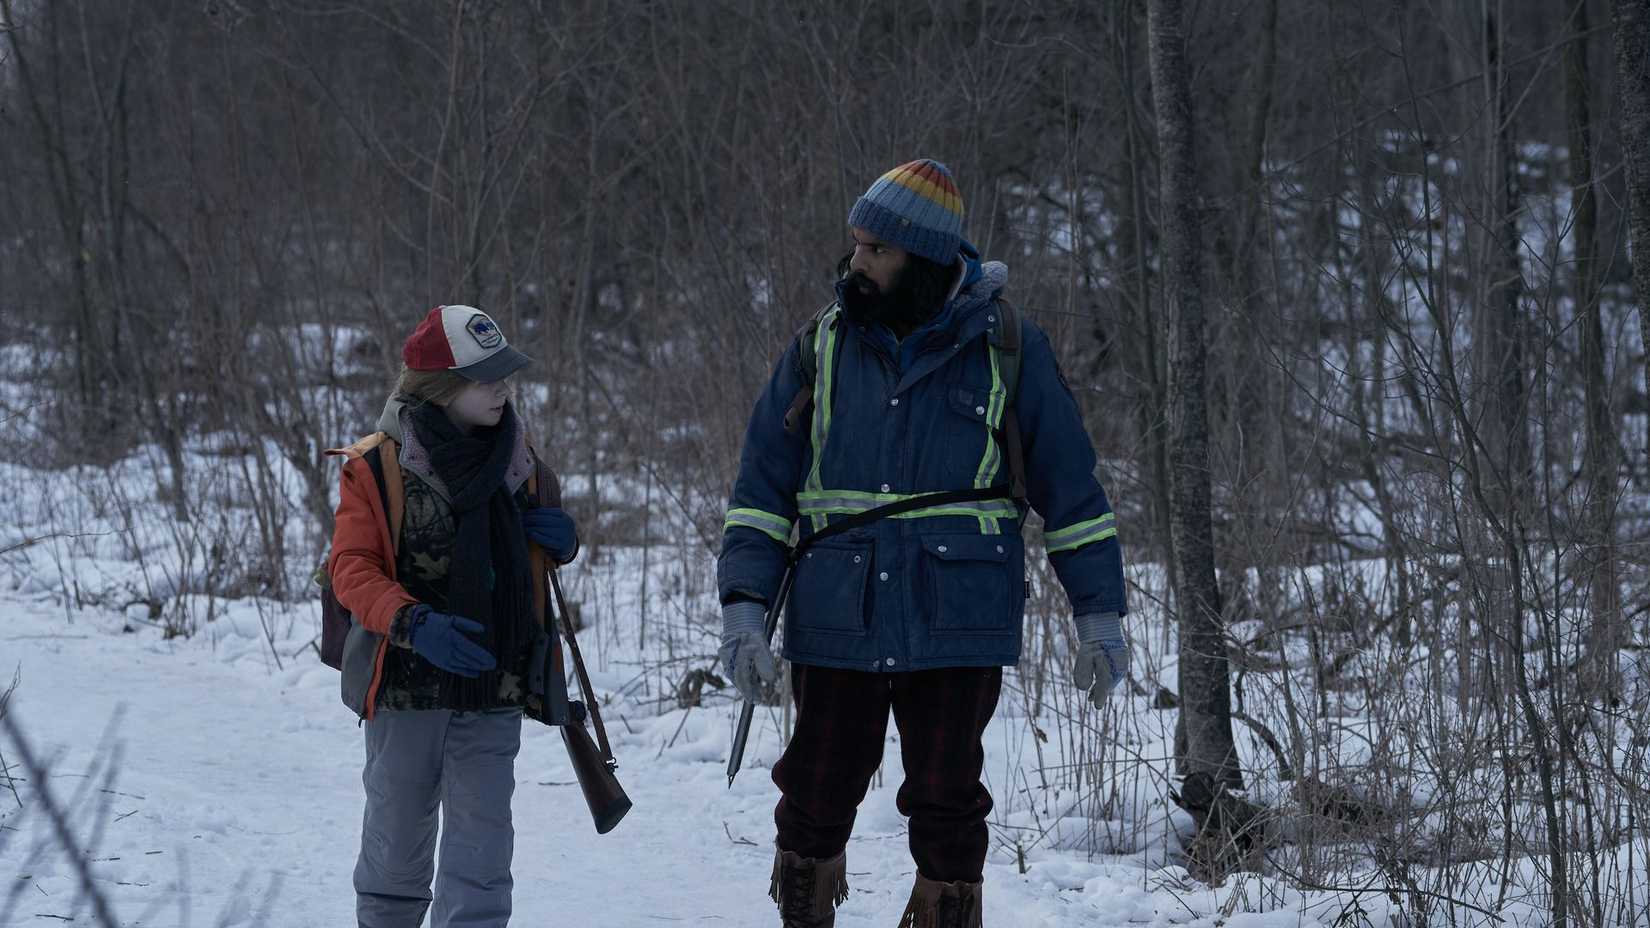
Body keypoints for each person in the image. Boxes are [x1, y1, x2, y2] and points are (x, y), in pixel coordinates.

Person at [717, 160, 1130, 927]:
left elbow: (1072, 491)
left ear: (924, 256)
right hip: (838, 614)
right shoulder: (820, 347)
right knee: (813, 791)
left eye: (876, 249)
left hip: (958, 617)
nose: (857, 264)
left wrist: (1098, 613)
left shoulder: (1009, 345)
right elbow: (762, 492)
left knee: (949, 800)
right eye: (857, 246)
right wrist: (743, 604)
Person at [327, 305, 579, 927]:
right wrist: (413, 622)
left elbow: (534, 555)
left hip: (496, 678)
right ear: (439, 387)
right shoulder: (376, 464)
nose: (501, 388)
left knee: (483, 849)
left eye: (503, 374)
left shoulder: (518, 460)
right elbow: (350, 569)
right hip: (406, 684)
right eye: (483, 377)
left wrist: (563, 540)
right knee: (396, 837)